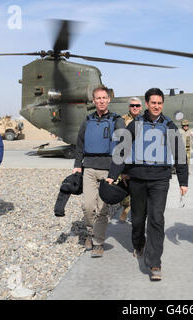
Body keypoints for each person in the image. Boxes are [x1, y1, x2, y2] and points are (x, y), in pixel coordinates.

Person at [106, 88, 188, 281]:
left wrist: (183, 181)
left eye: (160, 103)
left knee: (156, 219)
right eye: (153, 103)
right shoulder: (136, 125)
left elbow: (179, 154)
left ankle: (154, 262)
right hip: (138, 179)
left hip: (160, 179)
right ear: (147, 104)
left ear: (162, 104)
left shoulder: (169, 126)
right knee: (137, 218)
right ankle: (138, 243)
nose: (157, 106)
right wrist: (112, 175)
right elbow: (122, 150)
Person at [73, 85, 125, 257]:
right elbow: (80, 144)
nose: (101, 101)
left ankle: (98, 242)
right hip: (88, 168)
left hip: (107, 170)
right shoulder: (87, 121)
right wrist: (77, 164)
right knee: (87, 206)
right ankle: (90, 231)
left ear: (109, 99)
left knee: (102, 209)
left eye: (104, 98)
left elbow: (122, 148)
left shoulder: (117, 120)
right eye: (98, 98)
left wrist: (115, 173)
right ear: (93, 100)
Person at [118, 97, 143, 222]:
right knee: (125, 192)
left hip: (141, 162)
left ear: (141, 107)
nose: (135, 108)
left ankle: (136, 215)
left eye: (137, 105)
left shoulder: (146, 121)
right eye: (132, 105)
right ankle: (127, 206)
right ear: (129, 107)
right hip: (127, 160)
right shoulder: (122, 121)